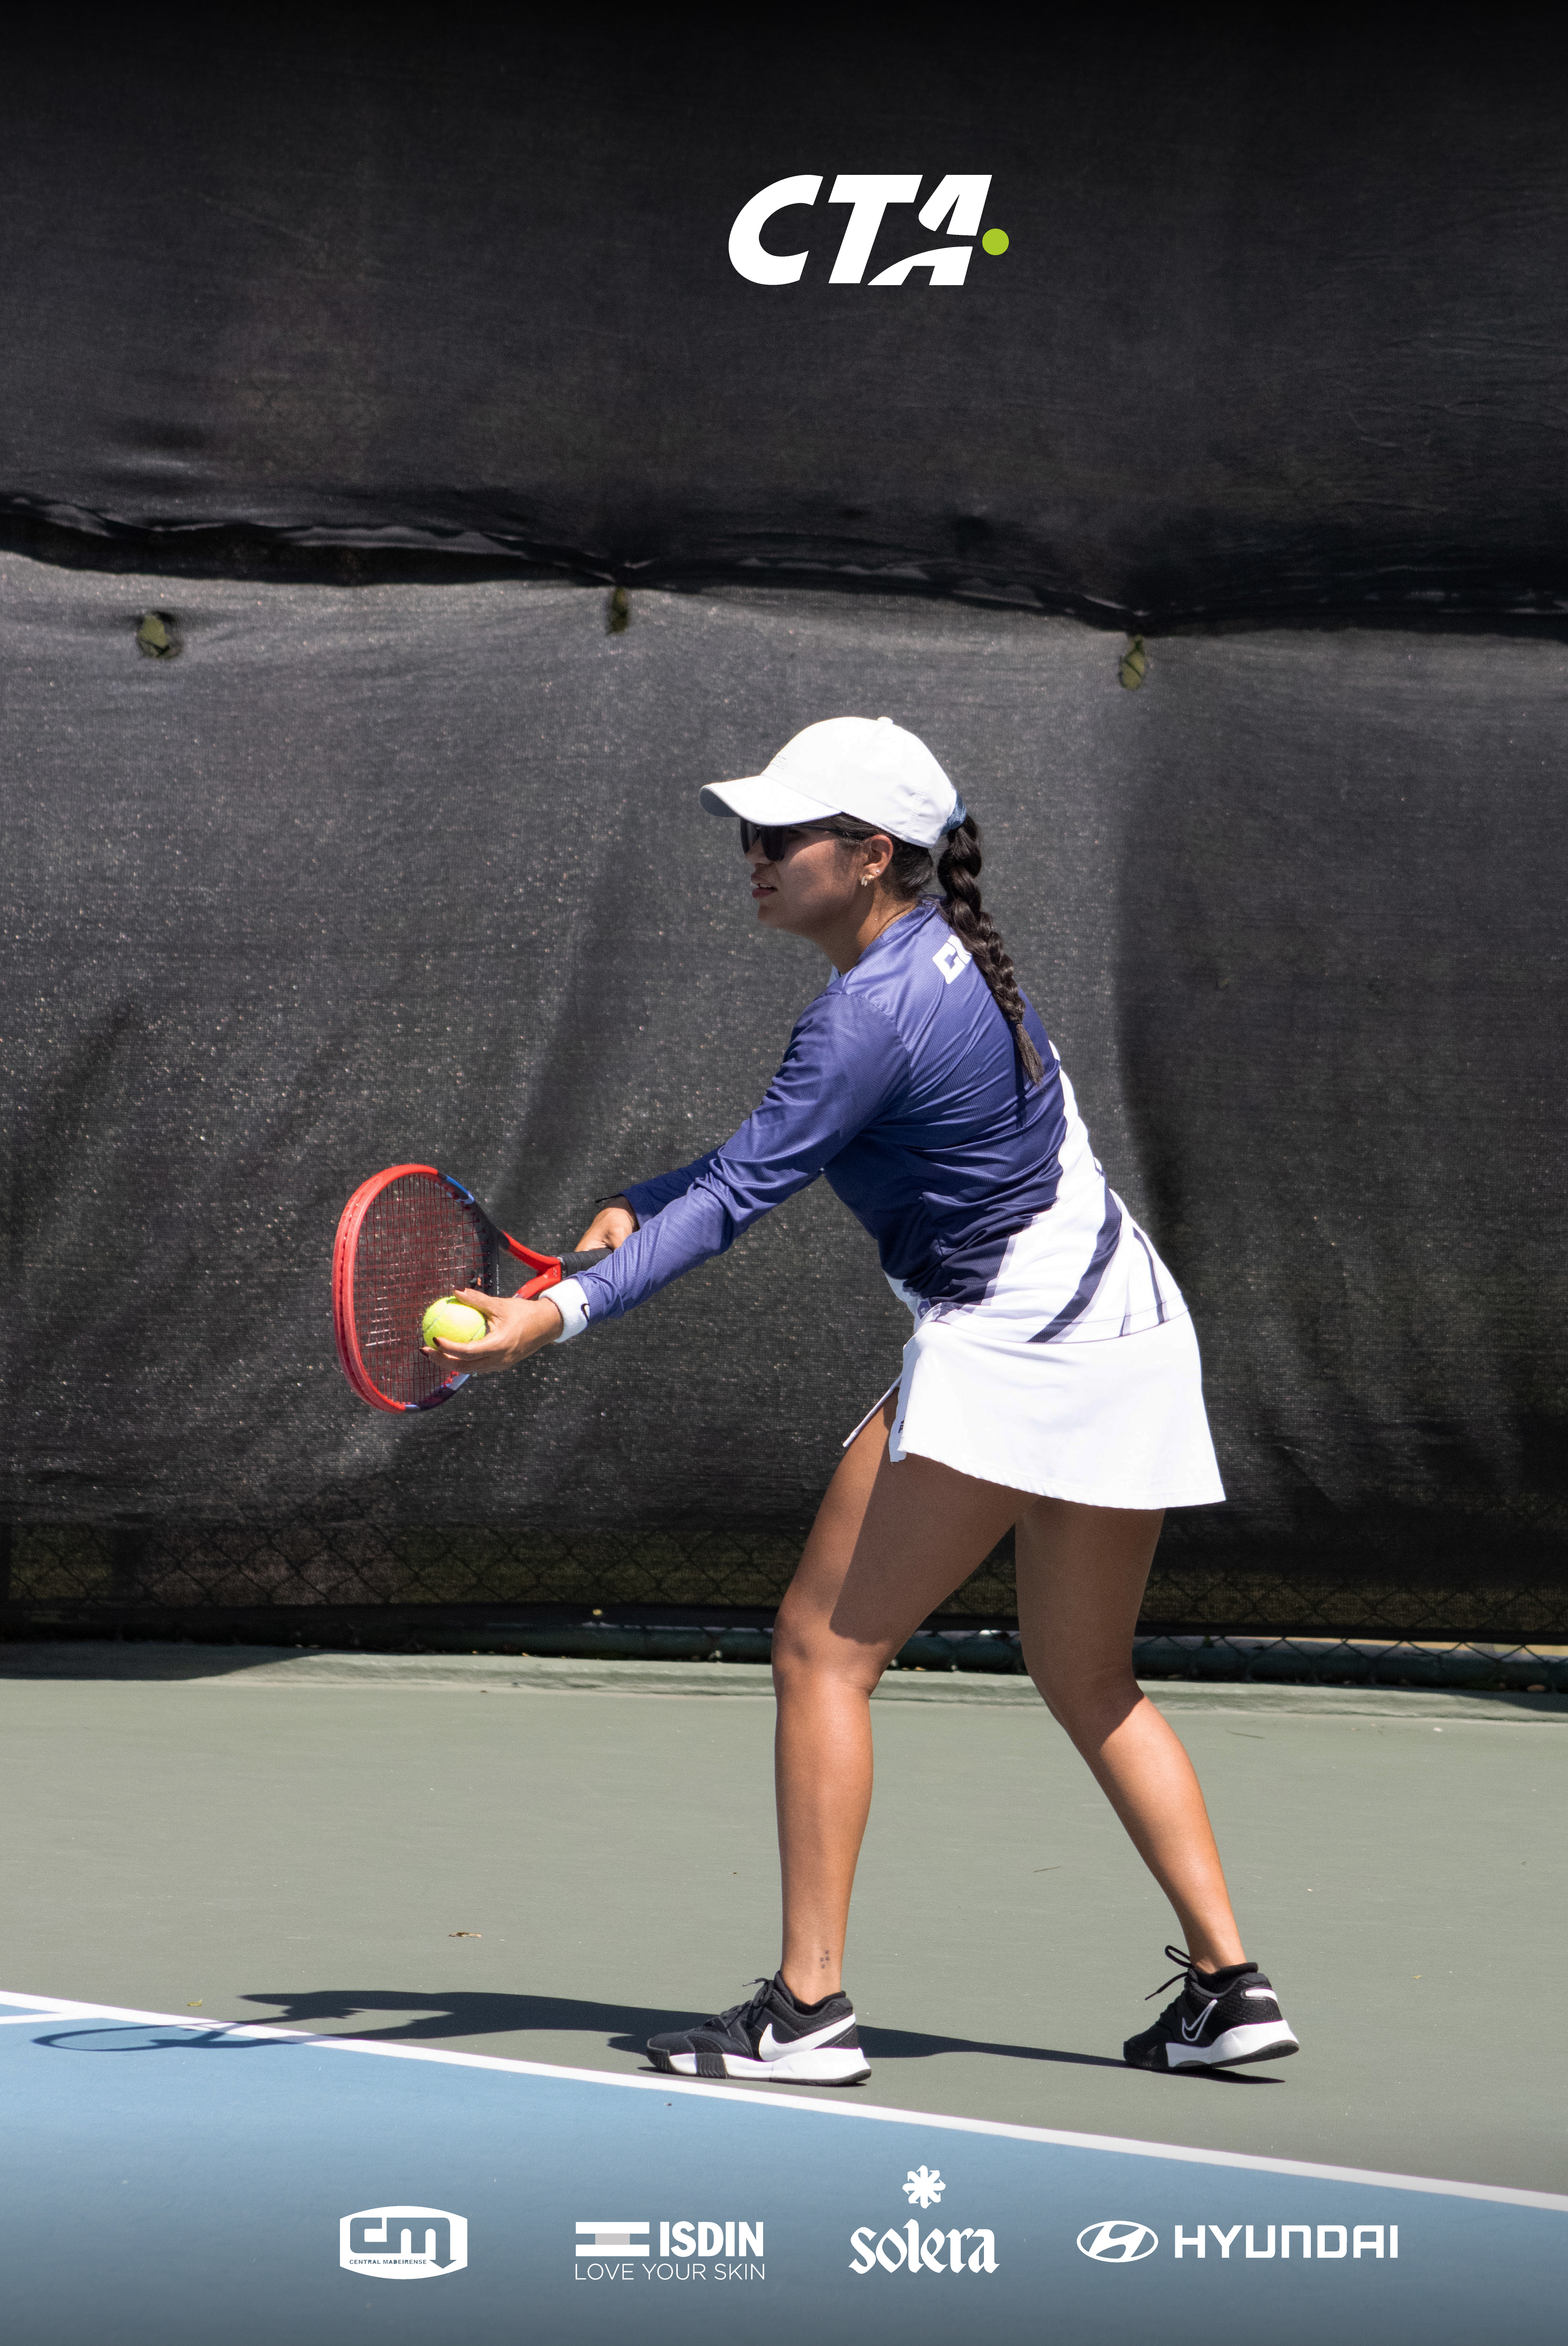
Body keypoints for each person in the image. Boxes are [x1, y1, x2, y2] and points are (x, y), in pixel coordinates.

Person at [432, 716, 1298, 2085]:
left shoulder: (869, 1011)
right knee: (1088, 1676)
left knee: (821, 1653)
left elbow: (740, 1195)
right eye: (751, 832)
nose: (754, 856)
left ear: (871, 854)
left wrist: (551, 1315)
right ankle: (1230, 1986)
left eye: (784, 836)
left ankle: (808, 2010)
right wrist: (636, 1208)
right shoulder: (952, 963)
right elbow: (744, 1167)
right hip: (1125, 1324)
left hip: (1018, 1344)